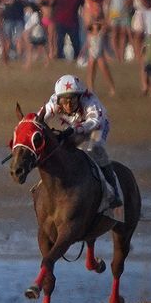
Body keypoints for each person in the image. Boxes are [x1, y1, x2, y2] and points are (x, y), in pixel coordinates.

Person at [40, 74, 123, 219]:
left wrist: (74, 129)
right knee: (62, 149)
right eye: (64, 101)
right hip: (76, 126)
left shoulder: (89, 100)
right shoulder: (54, 103)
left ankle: (114, 191)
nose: (68, 105)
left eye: (72, 99)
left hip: (98, 126)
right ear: (58, 99)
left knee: (95, 150)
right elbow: (39, 118)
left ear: (79, 97)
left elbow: (94, 121)